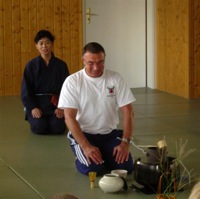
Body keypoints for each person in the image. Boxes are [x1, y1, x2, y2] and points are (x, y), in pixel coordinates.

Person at [58, 42, 135, 175]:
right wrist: (86, 146)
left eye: (100, 62)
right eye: (91, 63)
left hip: (109, 134)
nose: (96, 67)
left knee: (126, 167)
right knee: (93, 169)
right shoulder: (72, 81)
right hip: (84, 134)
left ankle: (105, 154)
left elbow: (128, 112)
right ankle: (82, 156)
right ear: (83, 61)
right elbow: (69, 117)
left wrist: (125, 143)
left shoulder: (115, 78)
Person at [21, 30, 70, 135]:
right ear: (36, 46)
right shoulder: (31, 66)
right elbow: (26, 89)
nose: (44, 46)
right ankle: (36, 118)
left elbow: (67, 88)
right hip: (37, 104)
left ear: (52, 45)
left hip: (55, 104)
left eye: (47, 42)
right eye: (41, 43)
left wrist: (61, 107)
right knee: (39, 128)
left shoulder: (61, 65)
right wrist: (32, 107)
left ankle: (54, 118)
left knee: (58, 128)